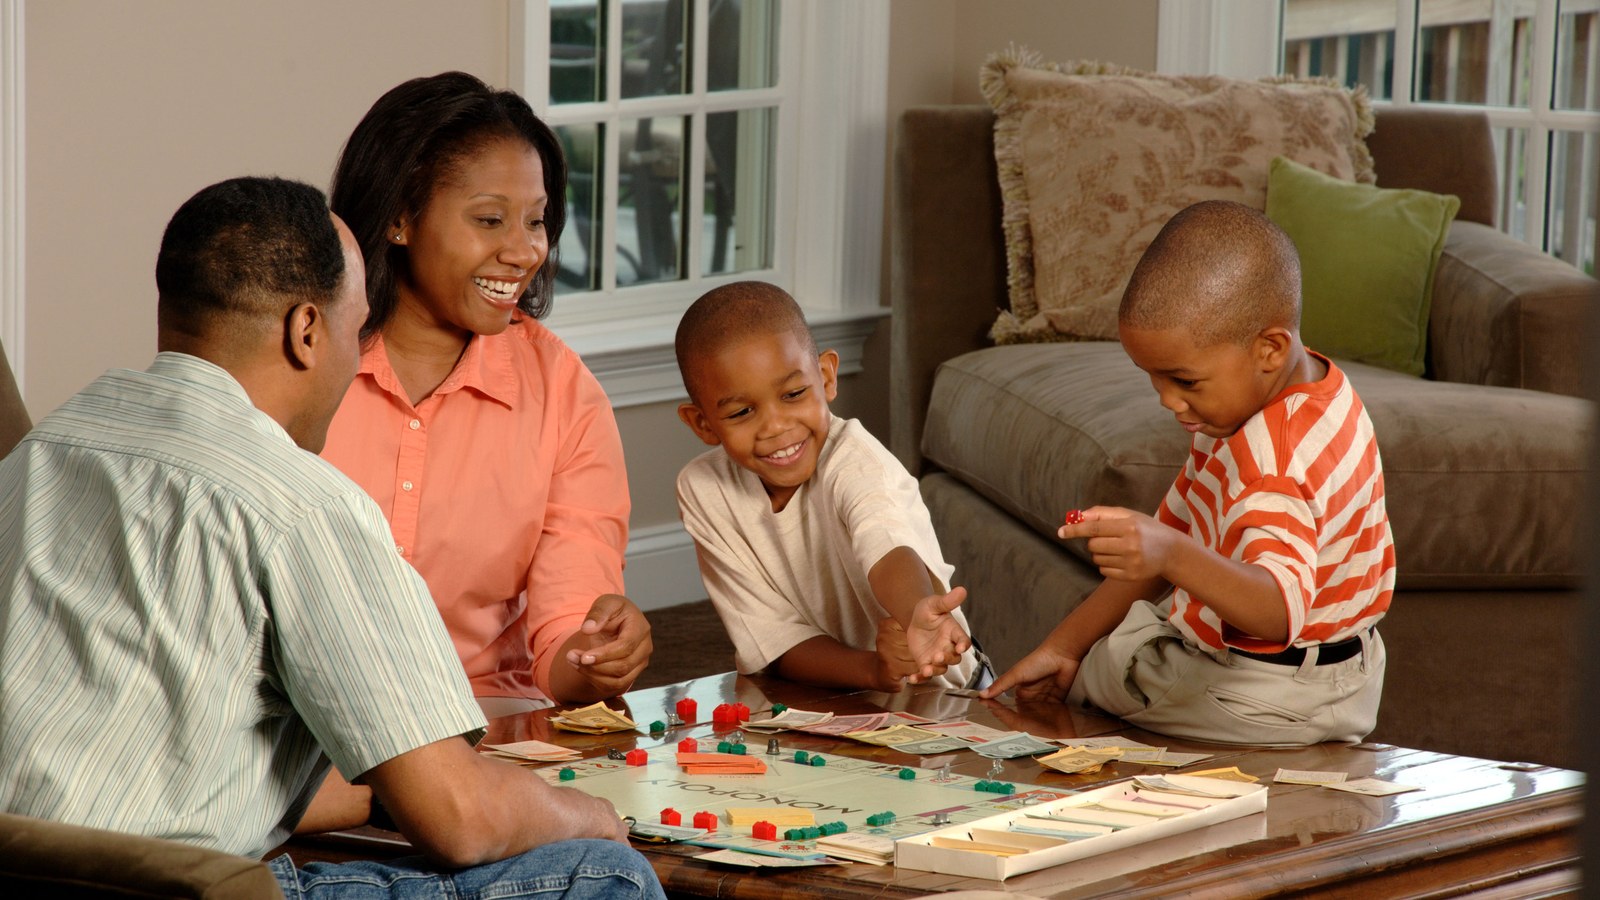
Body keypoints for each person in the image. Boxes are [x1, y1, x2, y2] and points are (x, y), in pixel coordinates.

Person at [0, 177, 664, 899]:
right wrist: (593, 815)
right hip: (179, 889)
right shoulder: (302, 506)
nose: (356, 359)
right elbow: (461, 819)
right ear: (307, 331)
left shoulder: (42, 453)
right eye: (358, 330)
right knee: (606, 874)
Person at [981, 200, 1394, 746]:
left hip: (1267, 693)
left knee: (1100, 671)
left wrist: (1170, 555)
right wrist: (1063, 644)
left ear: (1270, 349)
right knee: (1113, 640)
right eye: (1153, 379)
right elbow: (1176, 531)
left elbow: (1277, 610)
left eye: (1185, 381)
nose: (1169, 402)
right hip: (1349, 674)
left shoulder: (1270, 460)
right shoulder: (1304, 388)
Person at [322, 72, 650, 711]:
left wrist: (599, 656)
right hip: (307, 717)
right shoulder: (303, 362)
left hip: (479, 713)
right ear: (399, 218)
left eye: (536, 221)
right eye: (490, 220)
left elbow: (566, 631)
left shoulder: (563, 392)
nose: (525, 252)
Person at [673, 281, 989, 692]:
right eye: (742, 412)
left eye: (793, 394)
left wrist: (916, 613)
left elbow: (886, 545)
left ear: (825, 378)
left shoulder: (857, 461)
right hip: (841, 697)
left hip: (953, 698)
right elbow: (774, 641)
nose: (776, 427)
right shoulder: (703, 489)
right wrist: (875, 671)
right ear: (701, 424)